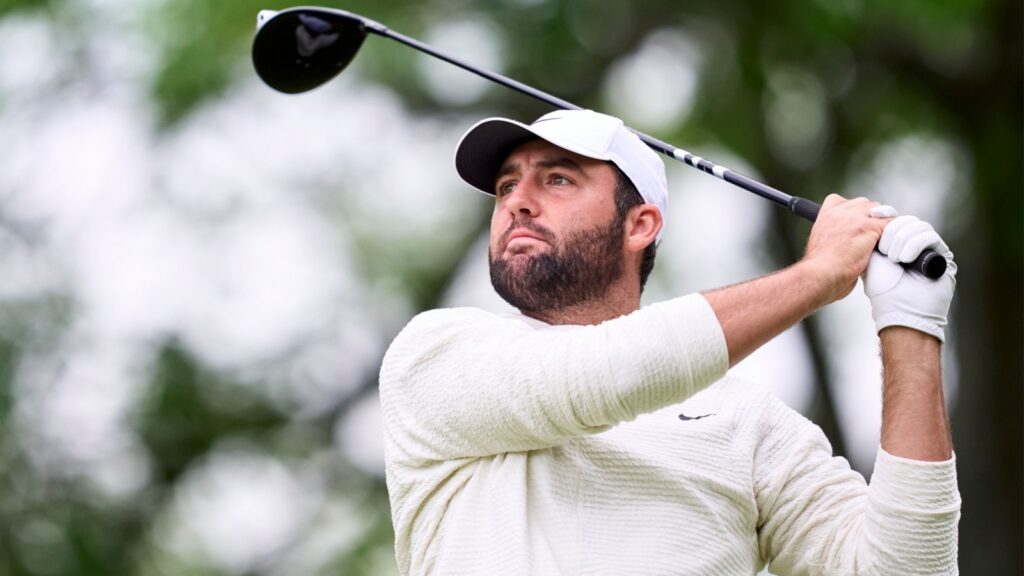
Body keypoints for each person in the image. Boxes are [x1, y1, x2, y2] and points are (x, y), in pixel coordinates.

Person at [379, 109, 960, 575]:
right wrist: (818, 274)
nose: (517, 201)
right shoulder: (436, 355)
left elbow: (905, 570)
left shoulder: (750, 424)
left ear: (640, 225)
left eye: (557, 178)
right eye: (507, 185)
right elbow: (601, 374)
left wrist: (911, 323)